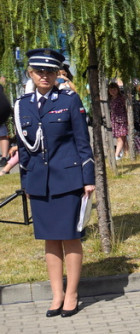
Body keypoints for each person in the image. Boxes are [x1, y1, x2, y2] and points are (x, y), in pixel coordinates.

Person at [13, 48, 95, 318]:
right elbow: (24, 150)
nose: (44, 76)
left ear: (57, 73)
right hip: (39, 182)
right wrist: (26, 182)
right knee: (49, 240)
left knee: (70, 238)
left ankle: (71, 294)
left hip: (68, 179)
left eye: (50, 71)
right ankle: (56, 294)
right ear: (30, 73)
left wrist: (88, 179)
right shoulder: (22, 104)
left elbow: (83, 142)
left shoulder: (69, 100)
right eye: (39, 71)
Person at [107, 81, 128, 160]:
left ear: (117, 90)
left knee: (120, 138)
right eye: (111, 90)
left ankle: (116, 155)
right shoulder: (110, 99)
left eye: (114, 89)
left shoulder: (121, 98)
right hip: (114, 121)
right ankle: (125, 152)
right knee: (120, 138)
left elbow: (126, 109)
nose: (113, 91)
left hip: (121, 120)